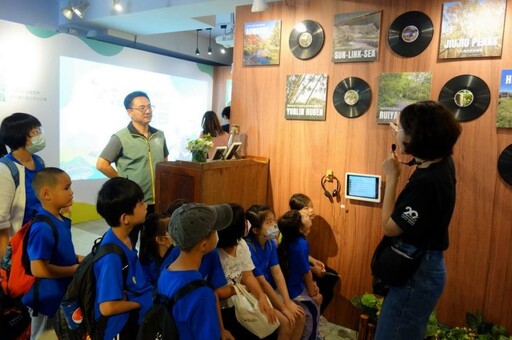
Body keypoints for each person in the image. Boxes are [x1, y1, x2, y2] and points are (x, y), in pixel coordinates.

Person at [375, 100, 462, 340]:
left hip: (416, 272)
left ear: (417, 137)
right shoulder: (441, 162)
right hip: (422, 266)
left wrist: (391, 177)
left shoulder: (427, 182)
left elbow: (389, 227)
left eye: (401, 128)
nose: (396, 131)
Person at [96, 91, 168, 245]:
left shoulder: (159, 135)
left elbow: (164, 161)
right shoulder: (120, 137)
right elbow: (101, 164)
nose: (148, 111)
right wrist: (123, 183)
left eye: (149, 107)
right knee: (129, 243)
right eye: (142, 108)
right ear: (129, 112)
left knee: (154, 244)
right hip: (133, 202)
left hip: (157, 201)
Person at [160, 198, 235, 340]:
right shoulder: (201, 293)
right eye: (214, 230)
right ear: (203, 245)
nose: (217, 234)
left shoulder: (165, 273)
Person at [23, 167, 82, 339]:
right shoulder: (42, 227)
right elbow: (39, 269)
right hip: (46, 302)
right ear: (46, 194)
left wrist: (80, 259)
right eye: (66, 188)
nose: (71, 192)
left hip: (59, 296)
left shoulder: (59, 220)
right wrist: (74, 269)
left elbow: (59, 252)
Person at [94, 177, 153, 339]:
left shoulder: (123, 238)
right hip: (119, 329)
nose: (146, 206)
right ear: (125, 218)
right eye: (140, 203)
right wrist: (141, 302)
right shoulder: (112, 257)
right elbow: (107, 307)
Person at [216, 203, 278, 339]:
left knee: (270, 325)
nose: (247, 224)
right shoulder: (215, 253)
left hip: (244, 299)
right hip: (226, 308)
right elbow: (216, 293)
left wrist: (262, 298)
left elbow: (248, 275)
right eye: (244, 221)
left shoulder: (241, 244)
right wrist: (239, 288)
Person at [245, 205, 305, 340]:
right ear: (255, 230)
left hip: (271, 291)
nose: (274, 225)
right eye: (268, 222)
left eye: (274, 220)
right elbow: (262, 283)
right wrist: (283, 308)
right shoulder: (248, 248)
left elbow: (277, 273)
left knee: (300, 317)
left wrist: (287, 301)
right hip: (257, 294)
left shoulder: (271, 243)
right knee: (287, 323)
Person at [0, 112, 46, 257]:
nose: (40, 135)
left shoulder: (39, 161)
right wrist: (6, 258)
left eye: (39, 130)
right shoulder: (5, 169)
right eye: (35, 132)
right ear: (20, 137)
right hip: (20, 240)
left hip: (40, 233)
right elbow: (1, 219)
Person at [289, 193, 340, 314]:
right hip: (293, 272)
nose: (311, 211)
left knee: (332, 277)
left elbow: (302, 254)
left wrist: (314, 261)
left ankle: (317, 313)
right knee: (327, 283)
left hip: (303, 265)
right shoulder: (291, 231)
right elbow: (293, 260)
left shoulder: (302, 228)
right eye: (306, 208)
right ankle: (314, 311)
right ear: (296, 212)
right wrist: (312, 269)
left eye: (311, 206)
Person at [277, 210, 322, 340]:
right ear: (300, 229)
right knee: (314, 308)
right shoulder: (301, 244)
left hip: (290, 286)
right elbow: (306, 272)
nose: (306, 214)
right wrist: (314, 294)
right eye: (302, 216)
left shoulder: (290, 240)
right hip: (294, 291)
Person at [139, 213, 172, 285]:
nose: (176, 232)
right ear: (160, 240)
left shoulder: (178, 255)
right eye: (171, 229)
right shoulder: (144, 270)